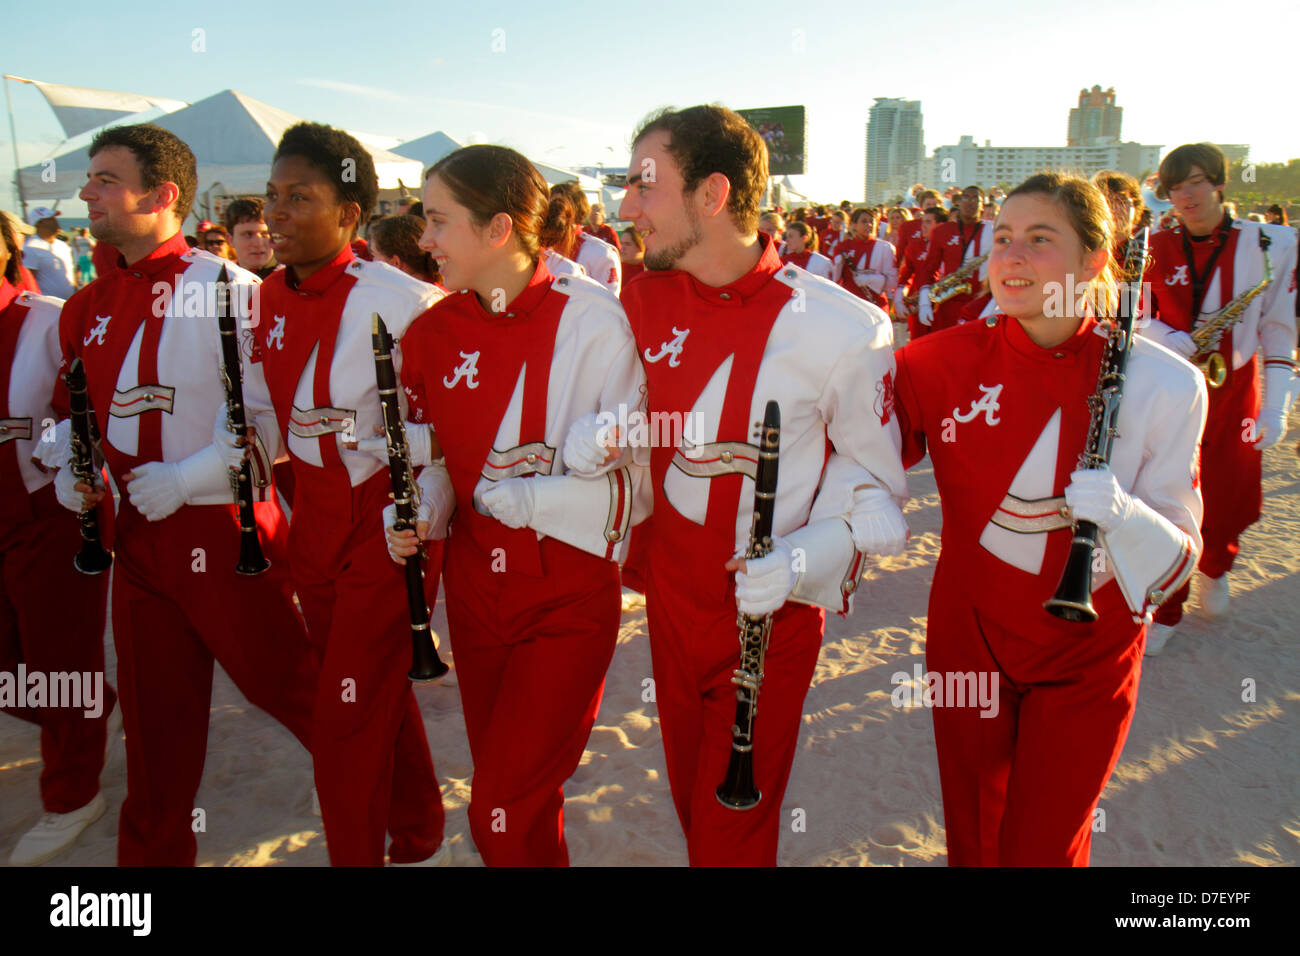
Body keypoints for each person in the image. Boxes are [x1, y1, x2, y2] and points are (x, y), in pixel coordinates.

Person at [616, 105, 908, 866]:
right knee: (691, 804)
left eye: (645, 185)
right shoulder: (638, 297)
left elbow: (874, 476)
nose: (625, 206)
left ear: (712, 196)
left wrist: (802, 561)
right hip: (667, 608)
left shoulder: (846, 327)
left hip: (768, 623)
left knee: (729, 829)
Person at [893, 172, 1206, 865]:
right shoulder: (932, 362)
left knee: (1045, 845)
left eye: (1040, 240)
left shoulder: (1166, 382)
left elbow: (1179, 561)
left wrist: (1124, 517)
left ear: (1095, 259)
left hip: (1092, 648)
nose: (1010, 257)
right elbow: (856, 456)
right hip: (968, 633)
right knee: (973, 835)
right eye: (1002, 238)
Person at [53, 122, 319, 866]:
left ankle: (410, 827)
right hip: (138, 544)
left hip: (227, 536)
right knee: (153, 722)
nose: (86, 192)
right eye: (89, 178)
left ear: (162, 194)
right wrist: (76, 466)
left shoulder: (235, 291)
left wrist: (191, 477)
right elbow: (77, 416)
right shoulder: (87, 303)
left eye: (105, 178)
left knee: (295, 692)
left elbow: (276, 426)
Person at [384, 144, 649, 866]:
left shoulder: (595, 321)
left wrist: (544, 490)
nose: (424, 239)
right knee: (521, 804)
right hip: (472, 601)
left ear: (499, 227)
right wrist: (425, 507)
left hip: (567, 603)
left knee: (500, 808)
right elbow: (439, 463)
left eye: (438, 221)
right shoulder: (430, 333)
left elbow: (639, 484)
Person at [249, 121, 448, 867]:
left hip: (387, 525)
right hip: (313, 525)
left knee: (344, 716)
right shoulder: (265, 298)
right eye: (272, 196)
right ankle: (423, 837)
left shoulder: (408, 302)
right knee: (369, 701)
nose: (277, 212)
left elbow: (448, 435)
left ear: (349, 213)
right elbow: (271, 419)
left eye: (301, 196)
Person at [1138, 143, 1299, 655]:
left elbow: (1278, 330)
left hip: (1237, 388)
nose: (1184, 195)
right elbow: (1138, 315)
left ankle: (1216, 566)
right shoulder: (1155, 242)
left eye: (1195, 182)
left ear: (1220, 183)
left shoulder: (1271, 244)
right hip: (1173, 386)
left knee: (1230, 494)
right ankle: (1165, 604)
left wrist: (1277, 406)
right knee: (1167, 494)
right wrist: (1165, 335)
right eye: (1174, 187)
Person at [0, 209, 116, 866]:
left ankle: (72, 794)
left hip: (49, 515)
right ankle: (90, 713)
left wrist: (43, 453)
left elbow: (90, 412)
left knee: (58, 664)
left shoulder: (49, 317)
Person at [915, 185, 993, 334]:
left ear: (982, 205)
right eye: (966, 198)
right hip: (949, 303)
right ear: (959, 202)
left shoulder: (993, 230)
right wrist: (924, 300)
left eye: (975, 199)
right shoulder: (942, 231)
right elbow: (929, 268)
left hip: (982, 303)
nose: (970, 202)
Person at [547, 181, 621, 294]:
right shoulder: (537, 249)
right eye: (551, 207)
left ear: (577, 211)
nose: (555, 213)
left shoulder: (600, 253)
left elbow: (607, 303)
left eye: (559, 206)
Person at [831, 207, 896, 309]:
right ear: (854, 225)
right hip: (850, 304)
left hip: (876, 306)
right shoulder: (842, 247)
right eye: (864, 221)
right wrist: (838, 265)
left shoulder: (885, 247)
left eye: (872, 221)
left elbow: (892, 283)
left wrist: (870, 279)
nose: (869, 225)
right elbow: (836, 281)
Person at [369, 214, 442, 285]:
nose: (372, 262)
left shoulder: (400, 296)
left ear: (395, 263)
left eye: (374, 255)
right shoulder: (439, 290)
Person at [22, 208, 76, 299]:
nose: (55, 221)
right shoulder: (30, 247)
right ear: (38, 223)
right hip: (48, 306)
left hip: (69, 303)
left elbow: (70, 274)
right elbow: (28, 281)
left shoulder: (63, 245)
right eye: (50, 219)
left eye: (54, 217)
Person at [223, 197, 277, 278]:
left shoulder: (293, 280)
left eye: (265, 234)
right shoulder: (221, 282)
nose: (258, 243)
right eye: (248, 234)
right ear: (230, 240)